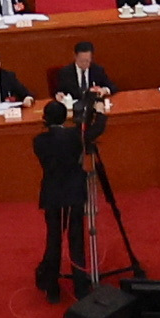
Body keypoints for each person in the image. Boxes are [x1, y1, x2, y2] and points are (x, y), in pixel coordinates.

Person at [34, 96, 102, 299]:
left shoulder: (38, 141)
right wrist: (100, 114)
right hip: (73, 193)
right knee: (76, 240)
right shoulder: (75, 136)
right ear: (65, 117)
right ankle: (81, 288)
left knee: (53, 239)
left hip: (52, 194)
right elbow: (95, 131)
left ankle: (52, 288)